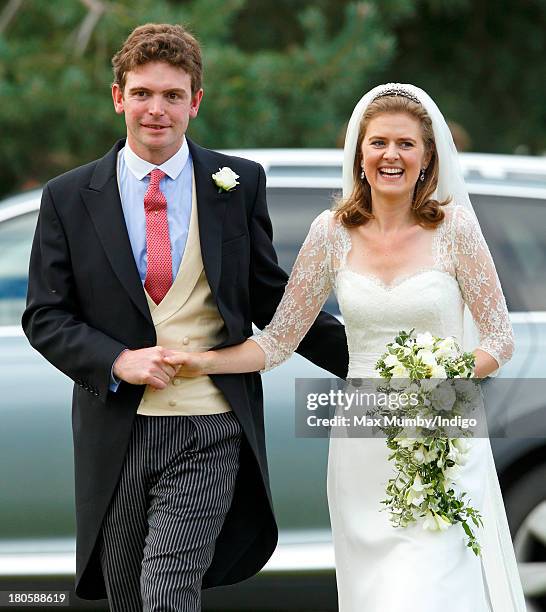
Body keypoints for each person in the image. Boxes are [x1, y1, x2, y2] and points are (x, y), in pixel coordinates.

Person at [22, 23, 348, 612]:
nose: (156, 110)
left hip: (211, 423)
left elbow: (272, 297)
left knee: (169, 589)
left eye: (173, 96)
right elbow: (45, 315)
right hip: (116, 430)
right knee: (126, 594)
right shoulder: (68, 197)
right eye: (143, 94)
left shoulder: (237, 183)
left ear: (195, 103)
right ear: (118, 96)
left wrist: (374, 361)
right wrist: (117, 359)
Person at [167, 83, 527, 611]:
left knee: (433, 591)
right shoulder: (330, 233)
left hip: (441, 439)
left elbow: (499, 339)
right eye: (378, 142)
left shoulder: (456, 229)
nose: (391, 155)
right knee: (378, 594)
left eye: (406, 144)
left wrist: (442, 380)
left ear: (427, 158)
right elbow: (280, 340)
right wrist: (203, 362)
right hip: (362, 447)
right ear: (359, 154)